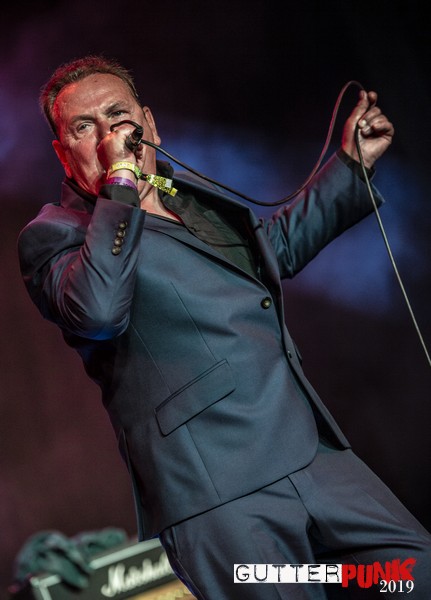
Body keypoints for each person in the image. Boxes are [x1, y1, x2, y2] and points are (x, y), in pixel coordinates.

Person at [18, 55, 431, 599]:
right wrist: (120, 186)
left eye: (118, 116)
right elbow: (97, 310)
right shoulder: (55, 235)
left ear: (149, 123)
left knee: (411, 575)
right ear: (62, 151)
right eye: (83, 127)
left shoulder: (186, 198)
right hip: (220, 496)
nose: (108, 135)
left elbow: (271, 250)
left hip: (311, 453)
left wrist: (350, 166)